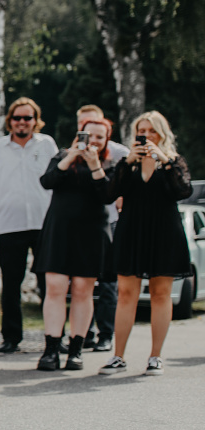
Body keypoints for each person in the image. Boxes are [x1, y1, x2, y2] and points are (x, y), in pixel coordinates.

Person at [100, 111, 192, 377]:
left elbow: (183, 190)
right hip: (132, 231)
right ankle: (118, 356)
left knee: (160, 294)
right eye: (142, 131)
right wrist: (127, 162)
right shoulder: (128, 163)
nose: (147, 136)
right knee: (126, 295)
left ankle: (155, 357)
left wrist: (163, 160)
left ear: (162, 133)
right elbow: (108, 193)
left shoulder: (173, 161)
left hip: (165, 233)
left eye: (152, 131)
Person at [35, 118, 117, 371]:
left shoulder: (110, 165)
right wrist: (70, 158)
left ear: (105, 141)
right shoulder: (62, 156)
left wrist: (94, 166)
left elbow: (107, 195)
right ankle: (51, 350)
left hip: (92, 233)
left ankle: (76, 350)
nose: (93, 141)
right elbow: (47, 181)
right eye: (88, 135)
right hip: (60, 230)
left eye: (99, 137)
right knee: (55, 288)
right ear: (79, 135)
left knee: (83, 290)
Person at [0, 97, 58, 353]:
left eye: (27, 118)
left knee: (50, 283)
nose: (22, 122)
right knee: (11, 284)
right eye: (17, 118)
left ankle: (55, 337)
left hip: (45, 223)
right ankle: (11, 338)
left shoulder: (47, 144)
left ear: (36, 121)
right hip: (9, 224)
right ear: (9, 120)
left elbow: (58, 180)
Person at [75, 104, 128, 352]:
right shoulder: (71, 153)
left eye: (93, 126)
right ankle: (83, 333)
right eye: (82, 125)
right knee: (80, 285)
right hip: (80, 225)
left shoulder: (118, 153)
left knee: (107, 284)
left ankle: (106, 334)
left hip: (110, 222)